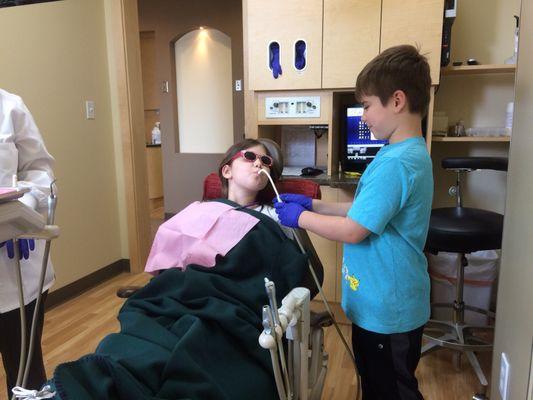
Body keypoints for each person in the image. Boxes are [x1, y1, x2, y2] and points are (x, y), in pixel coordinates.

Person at [274, 44, 433, 400]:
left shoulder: (396, 164)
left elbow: (353, 230)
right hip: (385, 306)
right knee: (379, 385)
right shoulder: (404, 154)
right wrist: (313, 202)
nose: (363, 117)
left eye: (366, 105)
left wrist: (301, 217)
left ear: (396, 101)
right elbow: (362, 211)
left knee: (391, 390)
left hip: (388, 313)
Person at [0, 88, 56, 397]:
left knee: (25, 375)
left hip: (16, 272)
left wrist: (22, 209)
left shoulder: (9, 107)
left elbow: (39, 169)